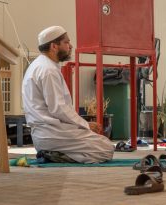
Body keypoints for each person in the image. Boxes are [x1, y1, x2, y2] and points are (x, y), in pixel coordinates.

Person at [22, 26, 114, 163]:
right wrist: (85, 124)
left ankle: (57, 153)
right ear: (54, 46)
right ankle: (53, 154)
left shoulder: (40, 65)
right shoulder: (48, 70)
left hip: (50, 132)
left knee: (102, 144)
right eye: (66, 42)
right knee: (106, 148)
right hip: (51, 133)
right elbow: (58, 109)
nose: (70, 46)